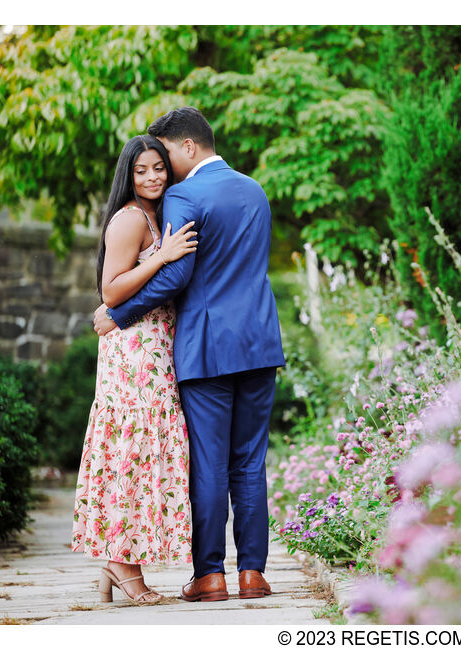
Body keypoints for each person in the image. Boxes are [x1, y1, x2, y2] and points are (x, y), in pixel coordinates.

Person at [93, 107, 286, 602]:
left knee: (209, 464)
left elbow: (177, 275)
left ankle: (211, 575)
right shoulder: (255, 189)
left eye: (167, 157)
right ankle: (254, 573)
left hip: (206, 347)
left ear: (188, 148)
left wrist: (119, 313)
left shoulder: (185, 194)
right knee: (250, 461)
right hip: (261, 341)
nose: (163, 170)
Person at [73, 135, 198, 603]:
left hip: (153, 348)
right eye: (142, 170)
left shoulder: (156, 214)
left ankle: (119, 563)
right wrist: (162, 257)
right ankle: (125, 566)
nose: (153, 177)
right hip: (134, 353)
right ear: (129, 173)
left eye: (159, 168)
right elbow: (110, 292)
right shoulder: (129, 219)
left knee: (143, 450)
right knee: (134, 449)